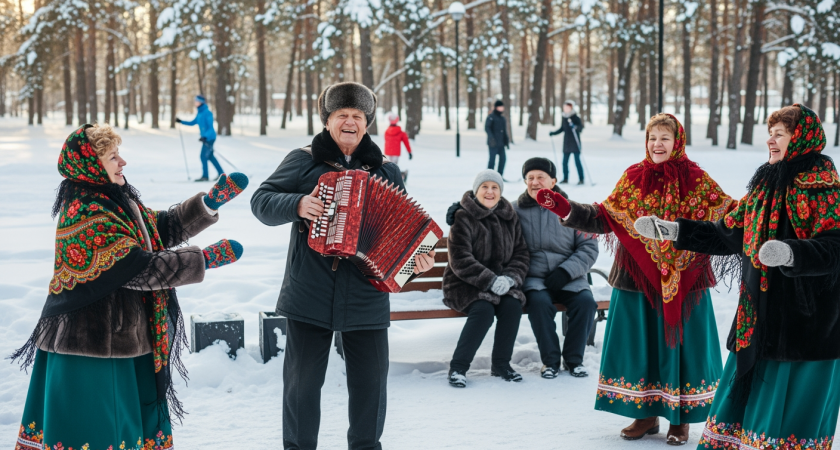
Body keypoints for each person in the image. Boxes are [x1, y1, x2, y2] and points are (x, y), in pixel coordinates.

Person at [12, 123, 246, 450]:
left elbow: (155, 229)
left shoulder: (111, 199)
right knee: (97, 433)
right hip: (90, 348)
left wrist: (207, 205)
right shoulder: (87, 214)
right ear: (92, 166)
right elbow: (139, 269)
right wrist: (203, 260)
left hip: (119, 336)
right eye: (112, 157)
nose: (122, 162)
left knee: (123, 429)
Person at [635, 105, 840, 450]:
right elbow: (725, 233)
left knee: (784, 418)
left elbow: (835, 248)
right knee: (739, 409)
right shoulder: (764, 185)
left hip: (806, 325)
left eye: (779, 134)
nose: (770, 141)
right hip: (757, 317)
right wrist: (673, 231)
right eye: (770, 133)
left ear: (801, 138)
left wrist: (792, 254)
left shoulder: (824, 187)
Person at [250, 82, 435, 450]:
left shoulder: (386, 170)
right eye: (342, 115)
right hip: (310, 293)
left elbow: (404, 234)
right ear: (328, 120)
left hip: (366, 297)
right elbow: (261, 201)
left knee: (370, 388)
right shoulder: (303, 160)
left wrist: (417, 261)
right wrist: (298, 204)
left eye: (357, 116)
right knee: (302, 388)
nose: (350, 122)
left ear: (367, 122)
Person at [538, 114, 735, 445]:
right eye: (651, 137)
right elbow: (604, 217)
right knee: (641, 347)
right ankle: (644, 415)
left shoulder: (697, 179)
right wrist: (565, 207)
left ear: (678, 142)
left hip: (687, 280)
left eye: (664, 138)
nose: (657, 144)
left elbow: (727, 213)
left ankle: (680, 419)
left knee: (683, 348)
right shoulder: (633, 176)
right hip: (635, 278)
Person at [443, 169, 530, 388]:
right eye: (484, 187)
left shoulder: (510, 216)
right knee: (484, 309)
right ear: (476, 190)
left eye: (495, 188)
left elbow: (521, 253)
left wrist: (510, 279)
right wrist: (490, 281)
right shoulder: (463, 216)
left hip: (503, 282)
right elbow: (460, 259)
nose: (489, 192)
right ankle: (458, 368)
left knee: (512, 305)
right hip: (465, 283)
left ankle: (501, 364)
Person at [513, 157, 599, 379]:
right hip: (534, 279)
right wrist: (459, 212)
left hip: (570, 277)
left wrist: (566, 271)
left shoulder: (573, 210)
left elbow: (589, 248)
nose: (535, 182)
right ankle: (550, 361)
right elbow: (486, 217)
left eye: (540, 177)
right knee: (539, 305)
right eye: (530, 178)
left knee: (586, 303)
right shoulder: (514, 210)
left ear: (553, 181)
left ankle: (574, 360)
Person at [176, 95, 222, 182]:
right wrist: (181, 121)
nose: (195, 102)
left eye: (196, 101)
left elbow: (210, 128)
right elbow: (193, 122)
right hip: (205, 138)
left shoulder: (207, 113)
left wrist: (205, 136)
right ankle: (221, 174)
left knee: (203, 156)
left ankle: (205, 176)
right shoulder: (200, 113)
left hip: (210, 138)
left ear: (201, 102)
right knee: (210, 156)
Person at [548, 100, 585, 185]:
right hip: (567, 143)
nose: (566, 109)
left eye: (568, 107)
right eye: (565, 107)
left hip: (575, 143)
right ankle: (565, 178)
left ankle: (581, 179)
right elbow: (562, 128)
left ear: (571, 108)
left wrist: (575, 127)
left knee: (577, 162)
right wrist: (553, 133)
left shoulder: (576, 118)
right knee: (564, 162)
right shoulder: (564, 118)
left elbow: (580, 128)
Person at [383, 112, 413, 182]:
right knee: (393, 166)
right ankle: (402, 175)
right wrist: (409, 152)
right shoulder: (401, 133)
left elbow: (386, 140)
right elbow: (406, 143)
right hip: (396, 152)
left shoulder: (387, 131)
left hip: (388, 152)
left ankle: (396, 178)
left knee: (391, 166)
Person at [485, 99, 510, 179]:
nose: (501, 108)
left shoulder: (502, 118)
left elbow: (504, 131)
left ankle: (499, 176)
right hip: (493, 143)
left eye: (502, 107)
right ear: (496, 107)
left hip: (501, 144)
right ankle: (489, 176)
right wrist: (491, 138)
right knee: (492, 161)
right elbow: (487, 128)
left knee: (503, 159)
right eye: (499, 107)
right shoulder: (491, 117)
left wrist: (506, 141)